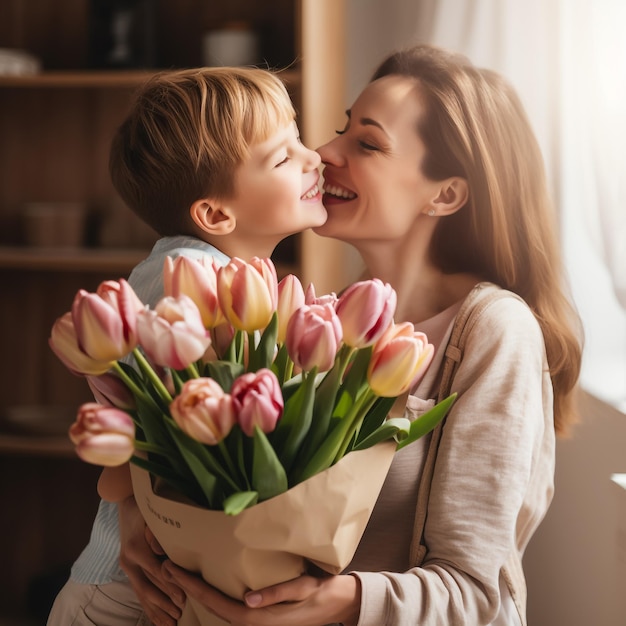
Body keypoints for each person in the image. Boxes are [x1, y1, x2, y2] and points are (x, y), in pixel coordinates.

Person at [156, 44, 584, 625]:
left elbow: (481, 597)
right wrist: (144, 525)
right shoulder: (314, 316)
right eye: (340, 130)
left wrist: (342, 601)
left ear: (446, 194)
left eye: (368, 143)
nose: (324, 153)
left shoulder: (494, 331)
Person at [46, 65, 326, 625]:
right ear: (216, 214)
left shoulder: (237, 274)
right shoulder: (183, 272)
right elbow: (151, 427)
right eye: (283, 157)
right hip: (121, 596)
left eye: (298, 137)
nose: (312, 157)